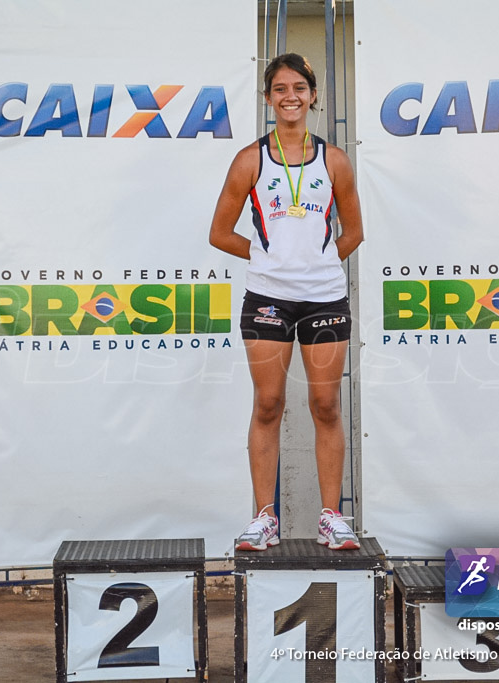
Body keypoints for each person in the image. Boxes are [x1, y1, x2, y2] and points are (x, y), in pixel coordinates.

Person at [208, 53, 364, 551]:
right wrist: (267, 256)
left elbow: (355, 231)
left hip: (323, 298)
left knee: (325, 404)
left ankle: (331, 518)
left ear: (313, 95)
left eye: (299, 87)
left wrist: (316, 262)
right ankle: (263, 518)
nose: (290, 95)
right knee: (269, 403)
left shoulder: (334, 160)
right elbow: (219, 233)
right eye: (280, 88)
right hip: (268, 298)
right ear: (268, 98)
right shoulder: (250, 159)